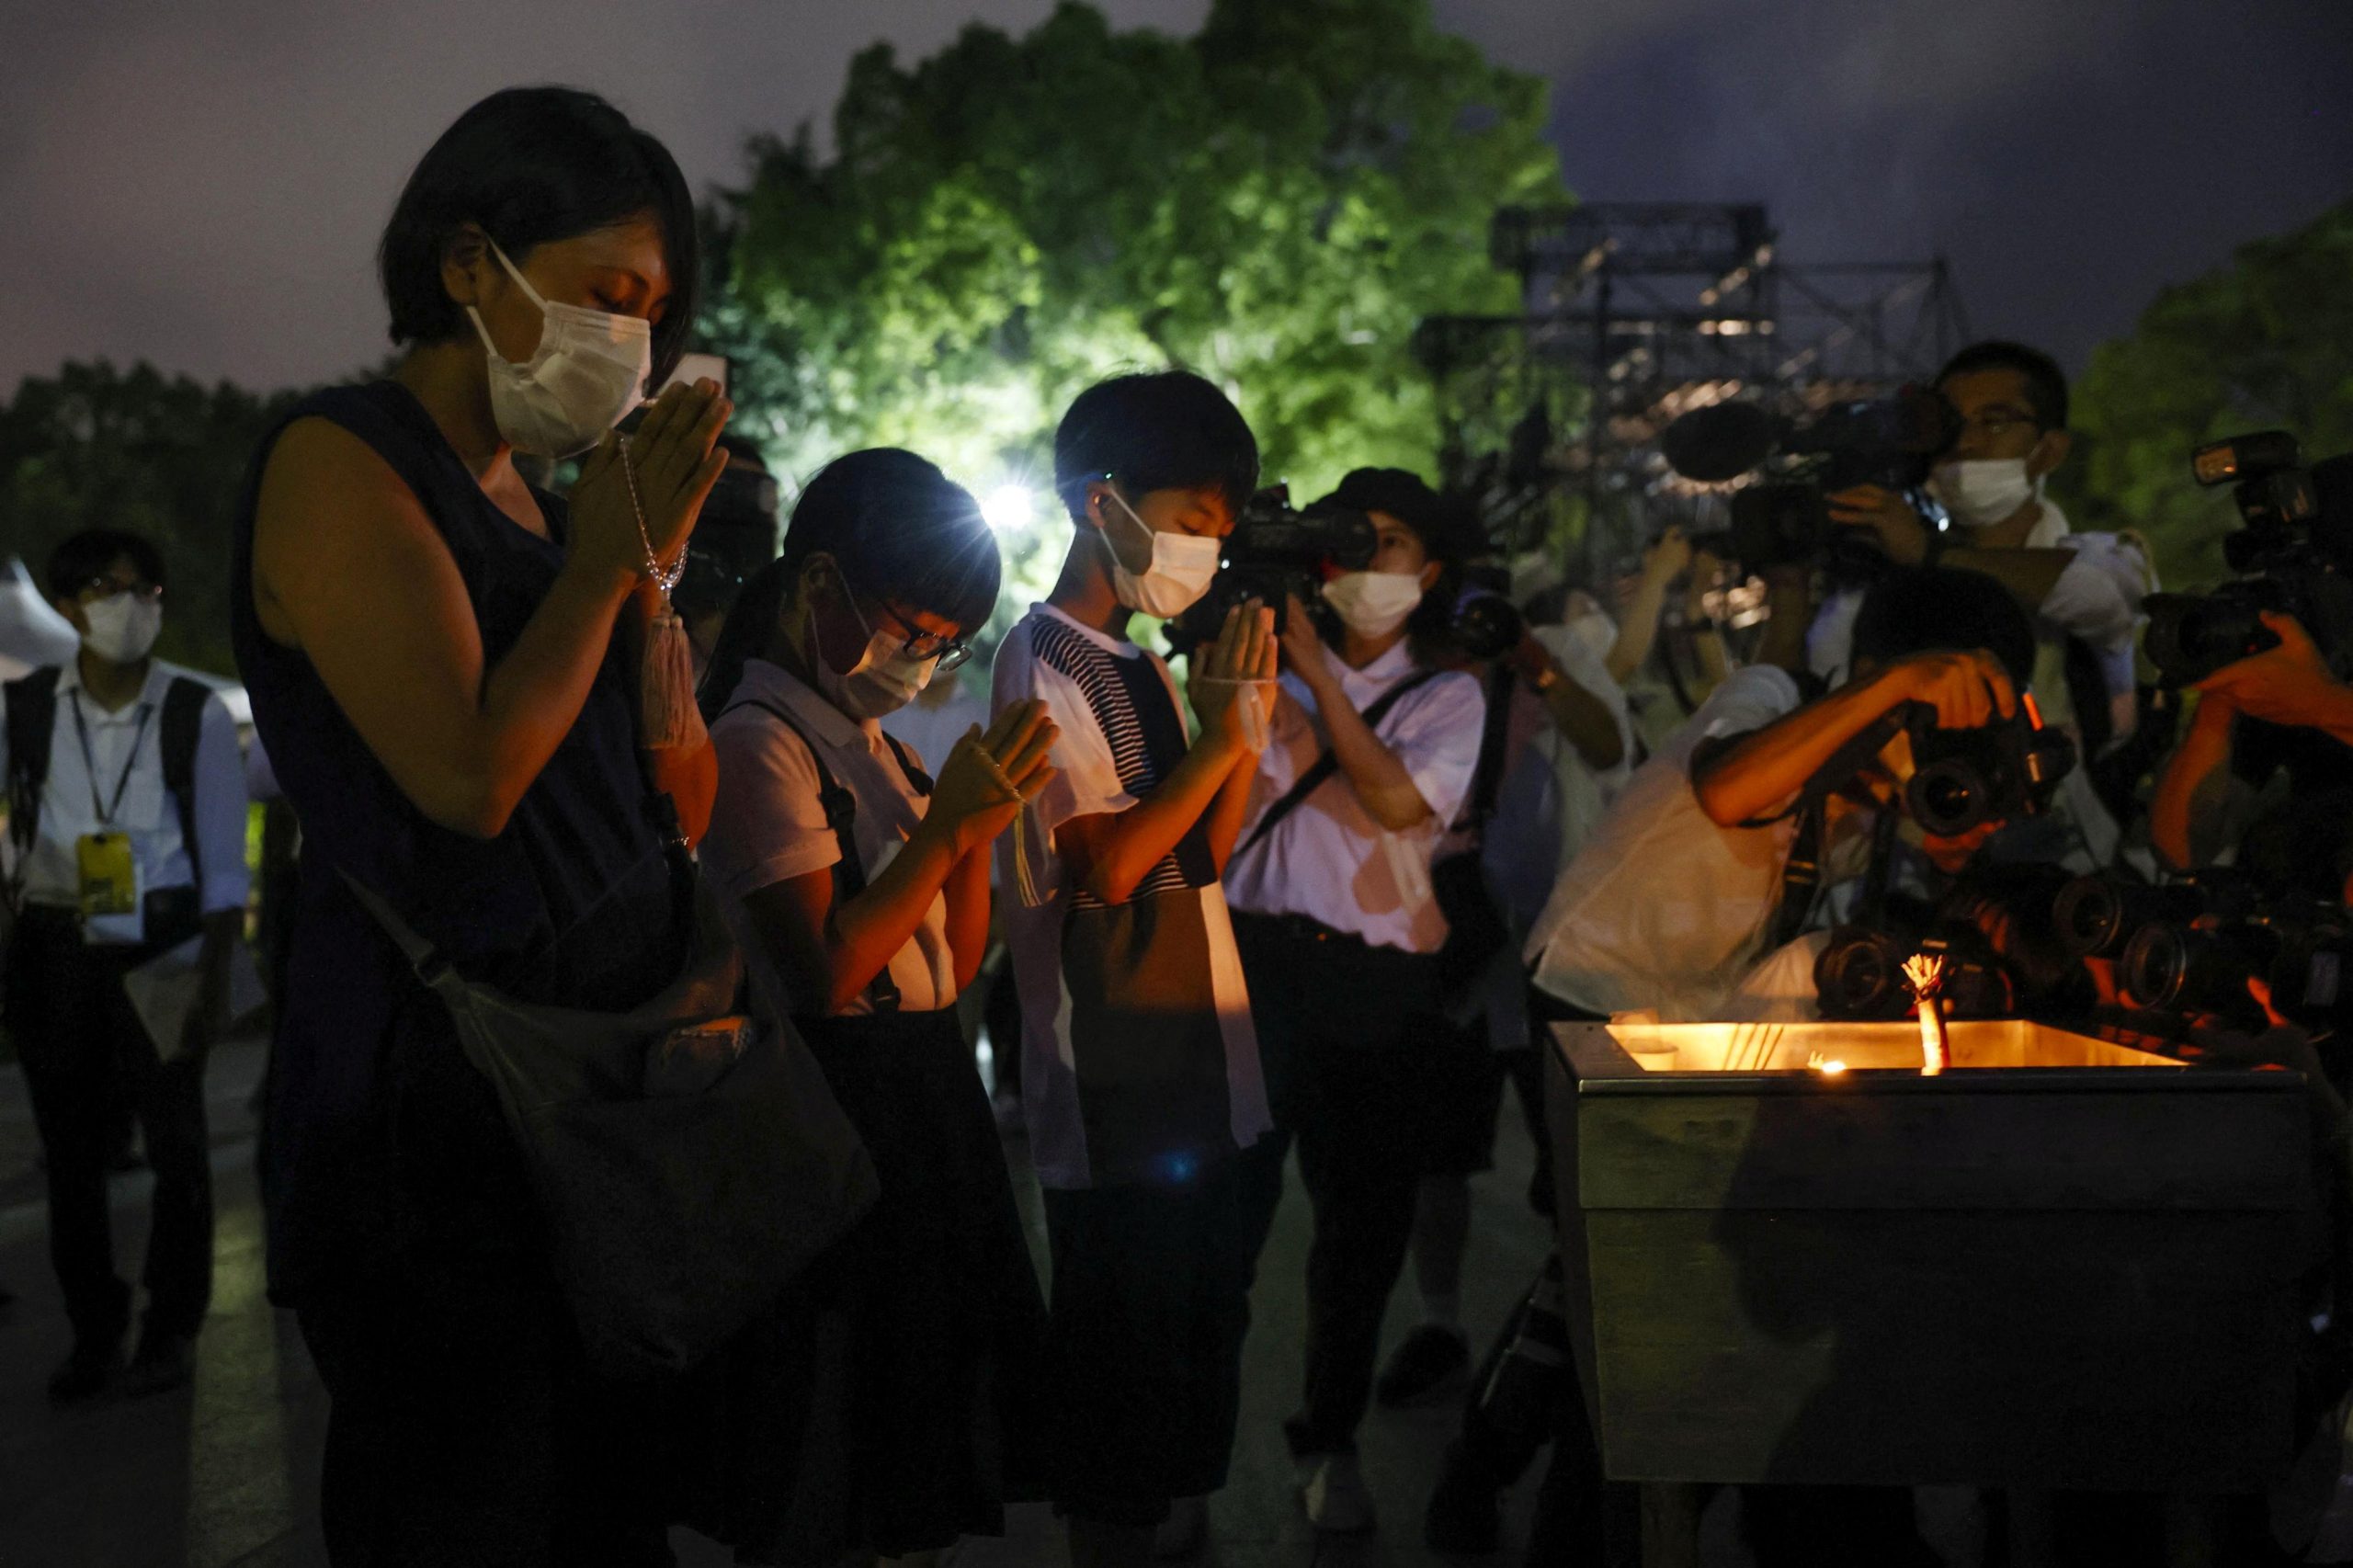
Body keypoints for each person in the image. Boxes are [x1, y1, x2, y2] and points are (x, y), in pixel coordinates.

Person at [234, 87, 729, 1565]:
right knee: (468, 1502)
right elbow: (466, 779)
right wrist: (598, 568)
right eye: (605, 295)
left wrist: (647, 578)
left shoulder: (539, 495)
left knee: (602, 1510)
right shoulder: (341, 462)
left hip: (583, 1108)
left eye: (654, 312)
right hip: (429, 1124)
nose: (629, 344)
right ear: (469, 265)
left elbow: (658, 786)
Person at [690, 449, 1054, 1564]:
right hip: (835, 1101)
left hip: (919, 1087)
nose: (922, 659)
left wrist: (975, 832)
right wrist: (948, 828)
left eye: (946, 642)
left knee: (914, 1423)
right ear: (814, 585)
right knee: (831, 1429)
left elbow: (952, 957)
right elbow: (829, 974)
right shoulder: (760, 742)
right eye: (910, 627)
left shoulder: (873, 743)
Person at [990, 369, 1276, 1568]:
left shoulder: (1143, 661)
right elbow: (1107, 868)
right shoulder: (1043, 660)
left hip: (1200, 1072)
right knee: (1118, 1394)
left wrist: (1237, 734)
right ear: (1102, 502)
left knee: (1187, 1365)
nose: (1208, 548)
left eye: (1221, 527)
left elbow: (1200, 851)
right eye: (1192, 519)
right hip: (1117, 1085)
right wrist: (1222, 740)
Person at [1219, 468, 1490, 1532]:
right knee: (1221, 1224)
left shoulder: (1448, 694)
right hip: (1249, 967)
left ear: (1431, 571)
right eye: (1353, 539)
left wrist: (1316, 680)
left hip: (1375, 985)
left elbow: (1391, 799)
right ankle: (1189, 1459)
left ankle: (1326, 1443)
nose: (1369, 563)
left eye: (1393, 544)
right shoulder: (1256, 657)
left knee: (1358, 1239)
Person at [1377, 572, 1639, 1418]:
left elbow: (1609, 750)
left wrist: (1537, 665)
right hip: (1455, 937)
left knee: (1570, 1162)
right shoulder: (1406, 668)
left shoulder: (1549, 656)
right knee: (1438, 1153)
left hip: (1555, 945)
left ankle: (1582, 1342)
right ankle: (1442, 1326)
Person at [2, 528, 249, 1402]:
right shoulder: (29, 707)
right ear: (68, 607)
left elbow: (224, 863)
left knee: (177, 1147)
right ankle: (93, 1331)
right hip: (56, 951)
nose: (133, 605)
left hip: (166, 948)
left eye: (146, 590)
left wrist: (217, 977)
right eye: (111, 588)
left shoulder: (195, 712)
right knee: (72, 1158)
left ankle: (171, 1327)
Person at [1814, 340, 2154, 863]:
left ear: (2050, 450)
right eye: (1948, 424)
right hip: (1926, 870)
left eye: (1993, 422)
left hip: (2077, 869)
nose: (1965, 443)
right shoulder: (1888, 585)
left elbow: (2099, 598)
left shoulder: (2107, 559)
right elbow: (1821, 694)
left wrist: (1931, 554)